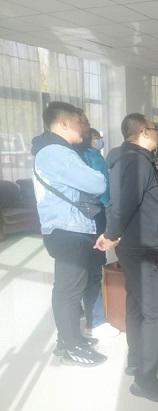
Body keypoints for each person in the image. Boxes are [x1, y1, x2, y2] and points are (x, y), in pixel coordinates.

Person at [95, 113, 158, 402]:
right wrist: (111, 233)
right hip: (141, 248)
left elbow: (123, 203)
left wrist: (113, 233)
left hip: (134, 245)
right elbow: (126, 205)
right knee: (157, 313)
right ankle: (145, 379)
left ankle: (137, 359)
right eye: (154, 129)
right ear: (143, 132)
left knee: (136, 304)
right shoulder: (137, 161)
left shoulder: (125, 158)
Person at [32, 101, 107, 367]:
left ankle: (69, 340)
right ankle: (71, 347)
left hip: (67, 228)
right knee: (69, 290)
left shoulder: (54, 150)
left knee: (69, 288)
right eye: (79, 121)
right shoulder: (56, 152)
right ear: (63, 122)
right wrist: (95, 174)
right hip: (68, 229)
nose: (84, 127)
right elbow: (97, 183)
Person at [82, 127, 120, 339]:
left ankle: (86, 311)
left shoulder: (81, 155)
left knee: (82, 270)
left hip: (86, 218)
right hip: (96, 216)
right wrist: (111, 207)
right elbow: (103, 189)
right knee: (94, 269)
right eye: (97, 138)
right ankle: (95, 322)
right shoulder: (92, 157)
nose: (100, 141)